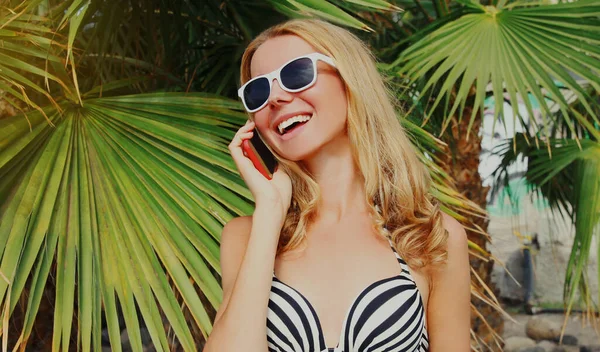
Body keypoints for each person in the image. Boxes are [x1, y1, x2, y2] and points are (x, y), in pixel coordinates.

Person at [203, 18, 470, 352]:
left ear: (349, 79)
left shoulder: (430, 235)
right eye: (258, 91)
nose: (275, 98)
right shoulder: (246, 236)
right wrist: (271, 209)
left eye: (296, 73)